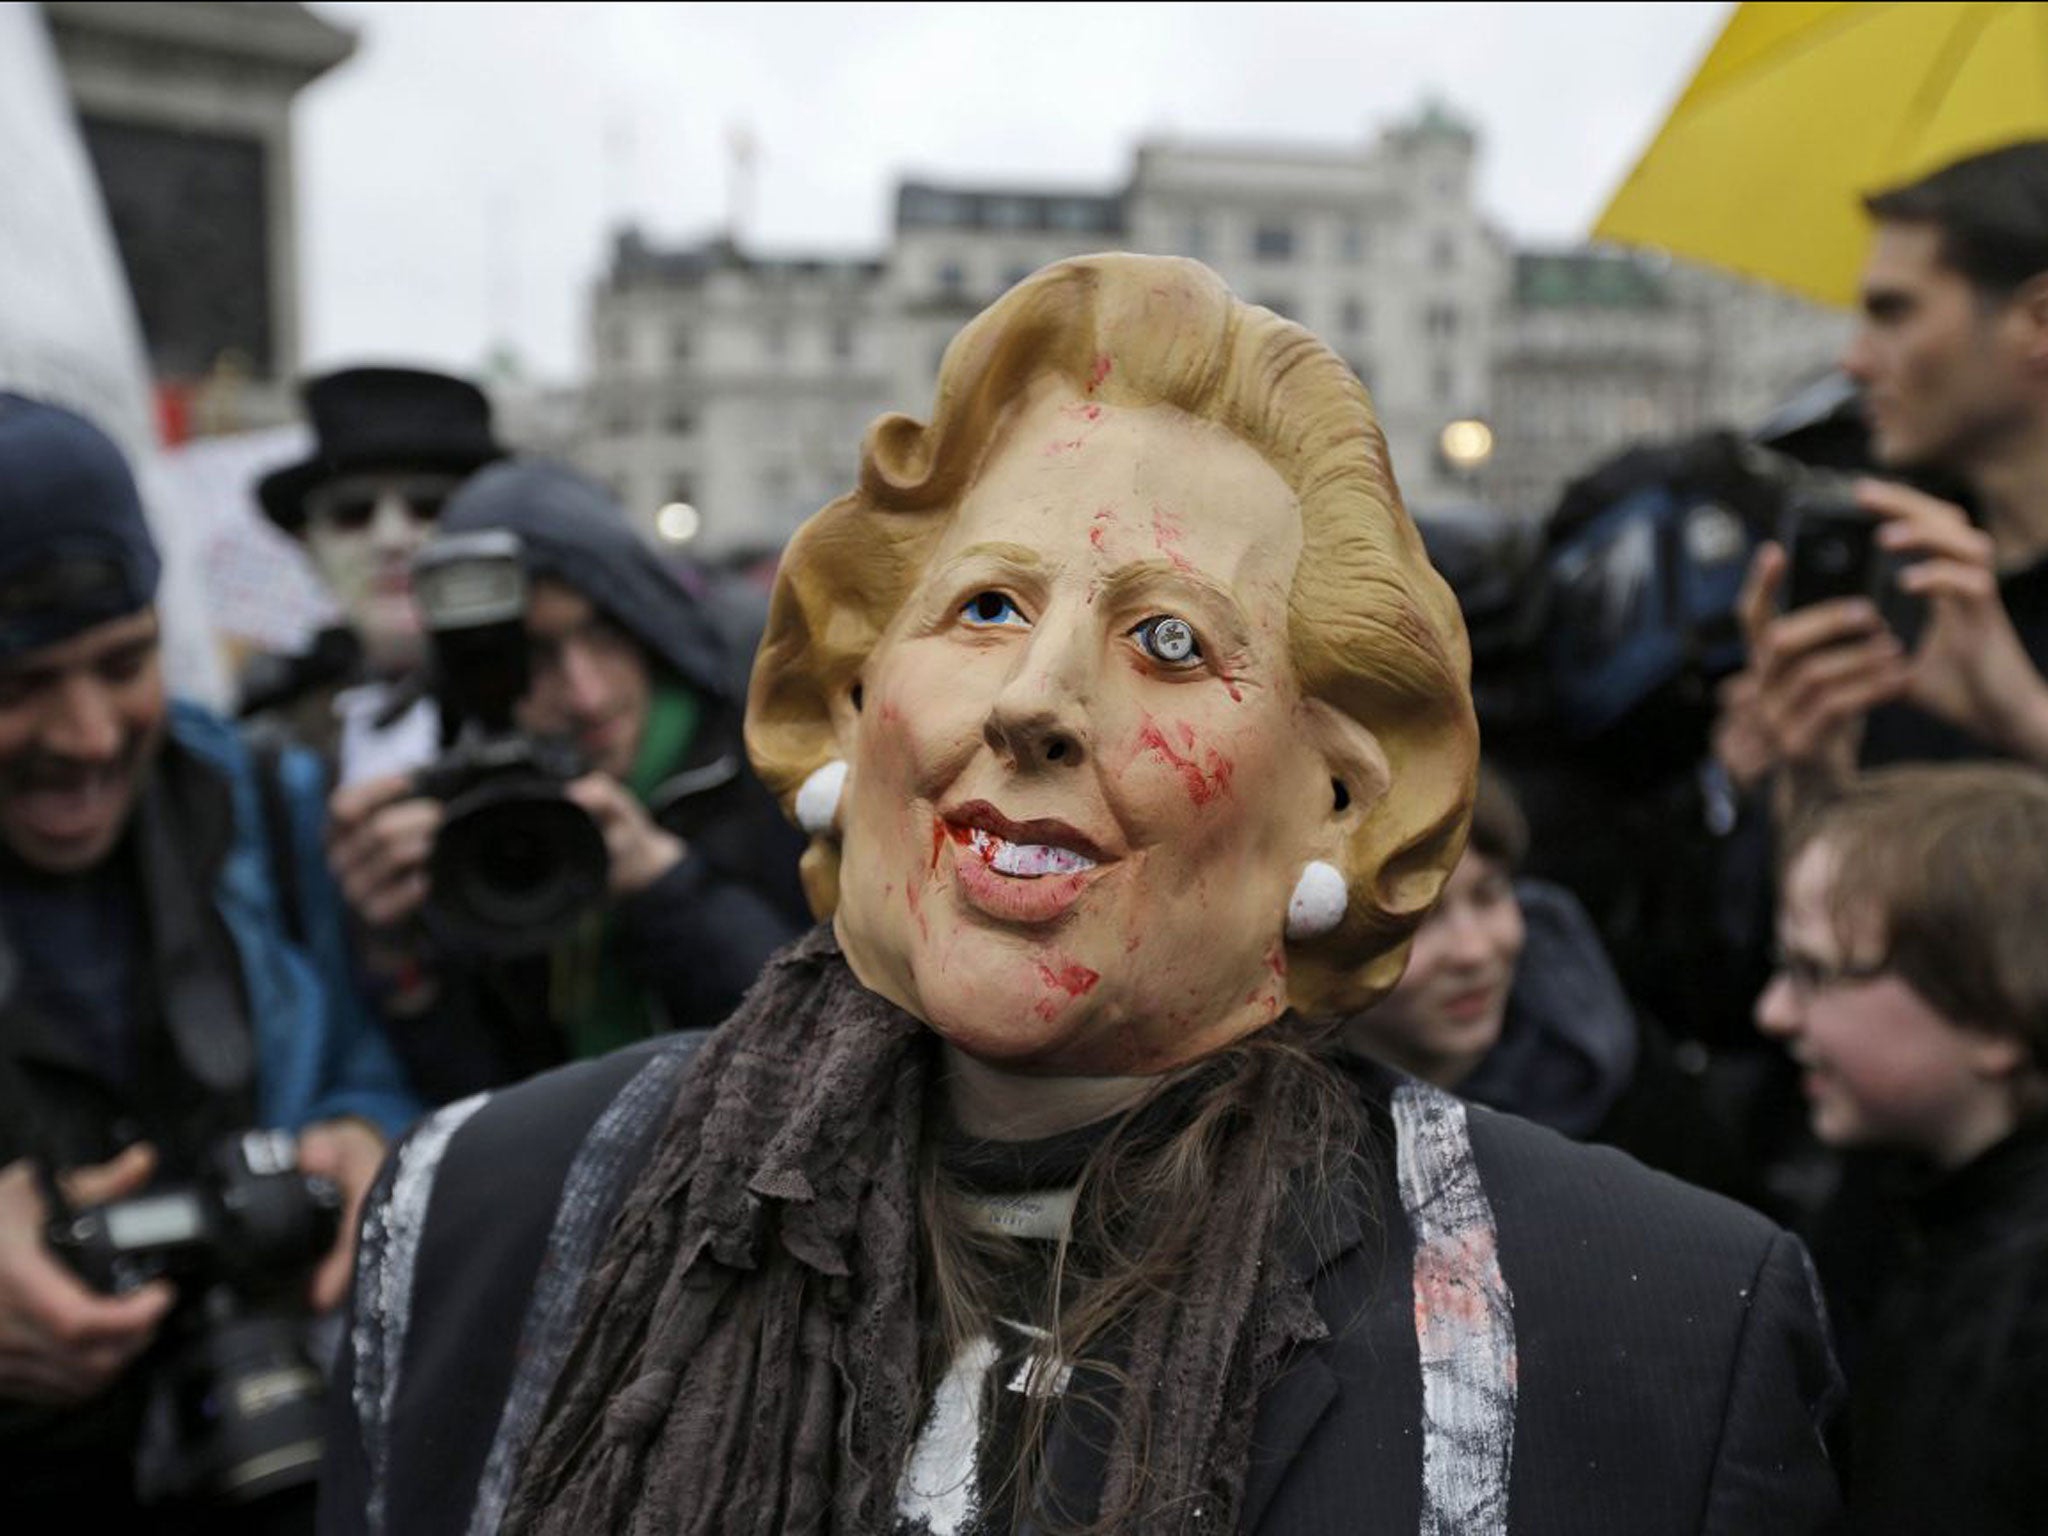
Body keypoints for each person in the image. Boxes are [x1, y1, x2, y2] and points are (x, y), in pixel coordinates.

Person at [320, 255, 1839, 1535]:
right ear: (854, 703)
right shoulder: (476, 1225)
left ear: (1344, 800)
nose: (1036, 701)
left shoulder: (1646, 1339)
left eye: (1171, 642)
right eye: (984, 607)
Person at [0, 395, 420, 1527]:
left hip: (264, 1455)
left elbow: (355, 1058)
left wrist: (358, 1143)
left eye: (122, 663)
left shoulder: (258, 803)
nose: (86, 736)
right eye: (19, 685)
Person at [325, 460, 809, 1103]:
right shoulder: (476, 811)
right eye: (533, 655)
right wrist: (401, 963)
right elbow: (479, 1111)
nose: (585, 693)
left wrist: (667, 886)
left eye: (602, 632)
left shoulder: (773, 754)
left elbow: (824, 1048)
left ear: (646, 619)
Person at [1754, 763, 2048, 1534]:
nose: (1775, 1012)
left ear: (1991, 1013)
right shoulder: (1901, 1204)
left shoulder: (2022, 1322)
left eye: (1815, 973)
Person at [1728, 140, 2048, 807]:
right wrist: (1805, 774)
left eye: (1894, 312)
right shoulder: (1896, 579)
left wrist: (2028, 719)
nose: (1854, 362)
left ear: (2038, 323)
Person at [1341, 766, 1751, 1200]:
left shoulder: (1603, 1058)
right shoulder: (1307, 1145)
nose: (1474, 950)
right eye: (1419, 921)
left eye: (1488, 894)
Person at [246, 366, 506, 786]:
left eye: (428, 507)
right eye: (353, 513)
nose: (391, 539)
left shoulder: (569, 705)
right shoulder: (261, 748)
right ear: (308, 543)